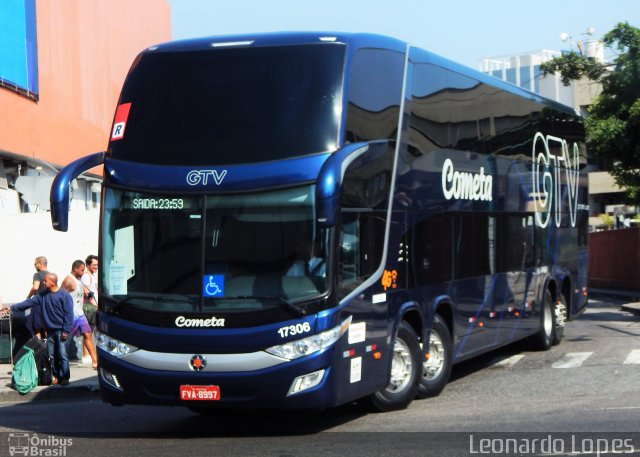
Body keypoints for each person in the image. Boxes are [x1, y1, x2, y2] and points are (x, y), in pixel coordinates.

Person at [1, 272, 74, 386]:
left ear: (53, 282)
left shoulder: (64, 296)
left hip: (61, 331)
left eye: (45, 281)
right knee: (51, 355)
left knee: (62, 354)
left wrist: (66, 330)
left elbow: (69, 314)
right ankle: (57, 376)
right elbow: (28, 303)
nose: (43, 283)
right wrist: (11, 308)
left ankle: (65, 377)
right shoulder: (43, 295)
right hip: (49, 330)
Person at [61, 260, 98, 369]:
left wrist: (95, 305)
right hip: (71, 315)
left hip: (80, 314)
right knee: (66, 339)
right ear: (75, 268)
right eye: (82, 270)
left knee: (87, 334)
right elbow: (60, 297)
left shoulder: (78, 281)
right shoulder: (68, 280)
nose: (83, 272)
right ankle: (62, 363)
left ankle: (95, 361)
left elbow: (87, 293)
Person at [26, 256, 49, 338]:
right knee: (47, 329)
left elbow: (35, 287)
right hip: (49, 305)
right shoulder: (51, 275)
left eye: (35, 264)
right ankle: (50, 349)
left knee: (37, 329)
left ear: (39, 264)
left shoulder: (37, 275)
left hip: (39, 305)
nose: (34, 266)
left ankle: (38, 350)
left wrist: (28, 297)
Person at [80, 255, 99, 329]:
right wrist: (96, 306)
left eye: (97, 265)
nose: (96, 267)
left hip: (92, 308)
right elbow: (87, 293)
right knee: (88, 333)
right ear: (87, 265)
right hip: (90, 309)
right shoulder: (86, 276)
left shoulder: (92, 275)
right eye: (94, 265)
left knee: (90, 333)